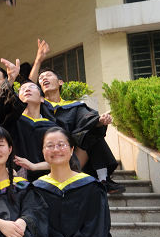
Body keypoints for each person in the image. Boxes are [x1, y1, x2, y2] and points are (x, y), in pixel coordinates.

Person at [30, 39, 124, 194]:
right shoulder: (39, 105)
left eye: (48, 75)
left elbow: (87, 119)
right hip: (47, 154)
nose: (44, 78)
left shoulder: (74, 106)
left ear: (60, 82)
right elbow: (28, 86)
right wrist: (38, 60)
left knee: (92, 131)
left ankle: (103, 179)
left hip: (75, 155)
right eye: (41, 78)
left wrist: (99, 121)